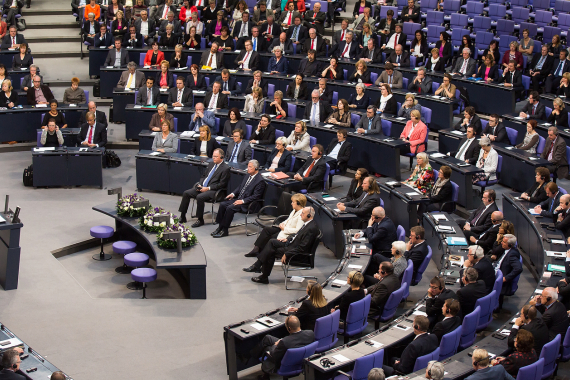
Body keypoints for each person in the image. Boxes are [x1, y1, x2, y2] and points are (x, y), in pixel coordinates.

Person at [250, 206, 319, 282]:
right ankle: (258, 265)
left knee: (270, 251)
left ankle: (263, 275)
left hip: (297, 253)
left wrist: (287, 254)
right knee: (272, 242)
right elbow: (296, 235)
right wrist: (288, 239)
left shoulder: (311, 229)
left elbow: (302, 248)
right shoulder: (308, 224)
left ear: (309, 215)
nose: (300, 215)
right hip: (291, 244)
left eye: (302, 213)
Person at [211, 159, 266, 238]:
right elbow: (240, 186)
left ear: (256, 168)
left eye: (250, 167)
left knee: (230, 208)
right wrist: (233, 194)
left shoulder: (260, 181)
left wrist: (243, 201)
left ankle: (225, 230)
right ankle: (220, 226)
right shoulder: (247, 175)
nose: (248, 169)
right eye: (248, 166)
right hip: (239, 199)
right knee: (223, 204)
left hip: (248, 204)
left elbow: (256, 196)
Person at [244, 193, 306, 259]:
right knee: (267, 230)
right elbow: (288, 220)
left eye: (293, 202)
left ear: (298, 203)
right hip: (283, 228)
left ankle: (263, 252)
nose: (291, 203)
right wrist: (282, 223)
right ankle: (256, 249)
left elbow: (298, 230)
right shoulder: (294, 210)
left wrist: (284, 228)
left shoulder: (301, 215)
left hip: (288, 232)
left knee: (272, 236)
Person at [251, 315, 314, 380]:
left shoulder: (285, 342)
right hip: (300, 359)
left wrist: (276, 345)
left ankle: (253, 358)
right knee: (268, 338)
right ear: (299, 324)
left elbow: (274, 355)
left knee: (267, 348)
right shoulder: (310, 333)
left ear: (289, 328)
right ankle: (252, 354)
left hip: (284, 362)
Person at [178, 149, 230, 225]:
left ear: (222, 157)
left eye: (216, 156)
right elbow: (203, 176)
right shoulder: (211, 164)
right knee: (186, 193)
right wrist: (201, 184)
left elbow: (222, 184)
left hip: (214, 191)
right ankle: (183, 216)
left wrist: (208, 188)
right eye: (213, 156)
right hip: (203, 187)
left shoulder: (225, 168)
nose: (213, 158)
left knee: (200, 197)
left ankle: (200, 219)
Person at [496, 234, 523, 309]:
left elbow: (518, 269)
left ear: (510, 245)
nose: (501, 242)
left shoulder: (512, 255)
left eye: (504, 242)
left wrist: (505, 278)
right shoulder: (507, 250)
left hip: (502, 281)